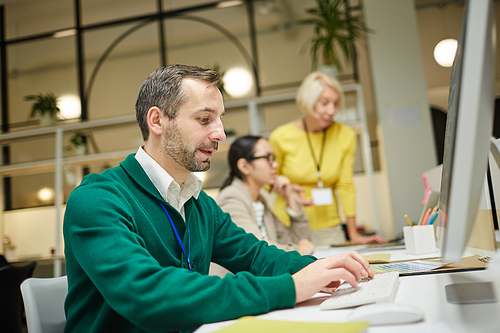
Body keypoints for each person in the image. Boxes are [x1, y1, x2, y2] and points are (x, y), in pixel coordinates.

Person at [63, 64, 374, 333]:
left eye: (220, 119)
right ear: (156, 121)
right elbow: (146, 295)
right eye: (204, 119)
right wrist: (291, 288)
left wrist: (323, 269)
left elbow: (256, 257)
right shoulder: (97, 199)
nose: (221, 134)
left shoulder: (198, 203)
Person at [269, 71, 387, 246]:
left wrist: (353, 233)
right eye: (324, 103)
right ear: (308, 102)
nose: (331, 110)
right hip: (288, 225)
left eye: (336, 103)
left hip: (329, 228)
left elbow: (345, 185)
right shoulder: (281, 136)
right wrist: (285, 188)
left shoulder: (345, 135)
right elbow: (267, 180)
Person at [217, 135, 314, 255]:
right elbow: (255, 248)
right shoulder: (230, 198)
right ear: (244, 166)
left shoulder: (260, 201)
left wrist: (290, 199)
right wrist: (298, 251)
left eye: (274, 158)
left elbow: (298, 240)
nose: (275, 165)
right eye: (267, 158)